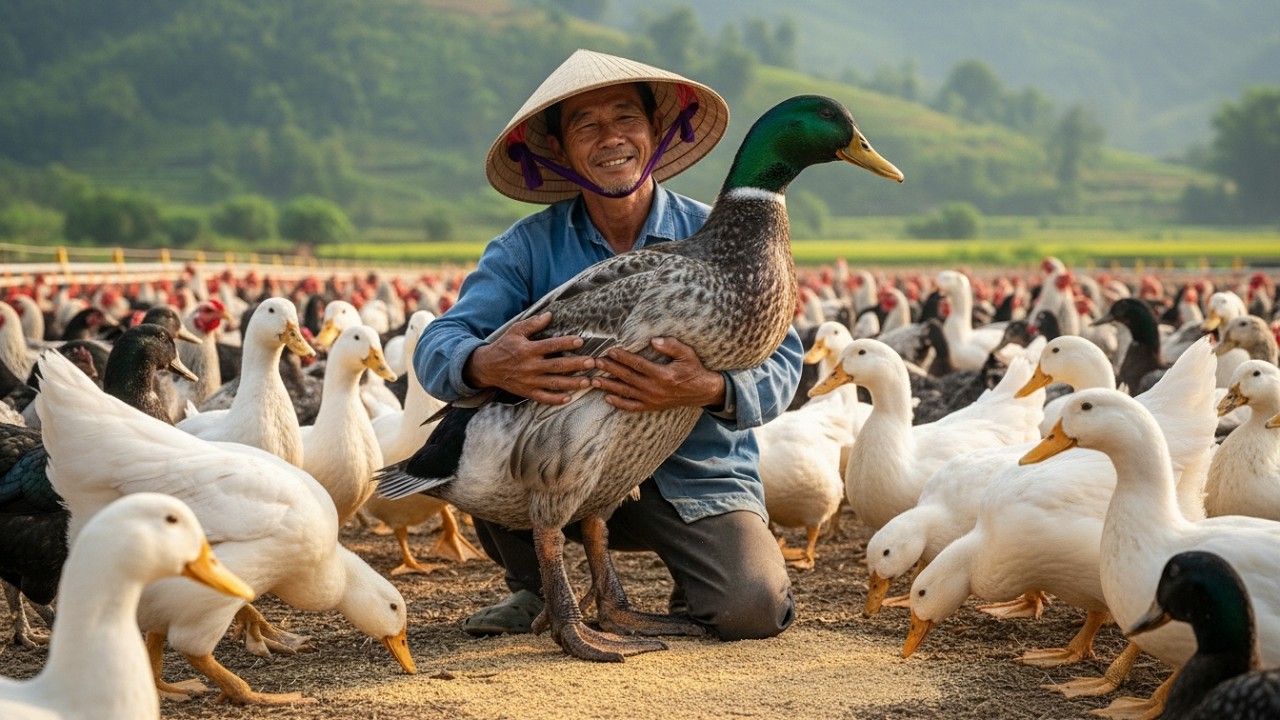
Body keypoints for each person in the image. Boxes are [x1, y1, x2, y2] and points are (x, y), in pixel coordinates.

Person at [414, 49, 802, 641]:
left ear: (655, 132)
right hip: (555, 465)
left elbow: (784, 361)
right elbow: (440, 342)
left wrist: (707, 387)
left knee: (750, 609)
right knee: (490, 442)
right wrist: (490, 360)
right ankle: (540, 589)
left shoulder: (723, 233)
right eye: (585, 126)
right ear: (562, 152)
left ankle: (691, 580)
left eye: (626, 118)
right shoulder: (526, 248)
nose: (610, 138)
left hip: (693, 477)